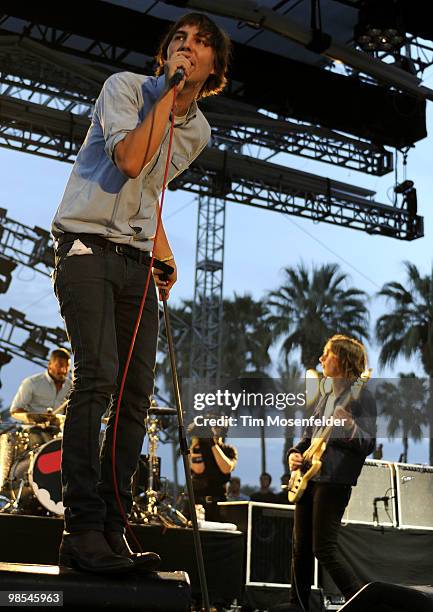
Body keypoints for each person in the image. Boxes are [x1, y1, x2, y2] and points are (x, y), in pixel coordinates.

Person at [50, 13, 231, 574]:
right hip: (86, 249)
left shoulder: (197, 130)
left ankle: (112, 524)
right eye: (179, 39)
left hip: (135, 260)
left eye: (200, 44)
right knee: (97, 377)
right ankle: (79, 528)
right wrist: (166, 95)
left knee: (134, 397)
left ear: (214, 67)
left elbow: (149, 190)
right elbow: (130, 160)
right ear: (166, 53)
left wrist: (163, 248)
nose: (186, 46)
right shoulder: (126, 89)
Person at [287, 334, 376, 612]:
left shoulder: (362, 397)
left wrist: (350, 427)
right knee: (300, 550)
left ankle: (362, 602)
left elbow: (369, 443)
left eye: (327, 353)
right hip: (309, 475)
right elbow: (308, 436)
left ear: (344, 359)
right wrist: (295, 453)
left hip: (335, 479)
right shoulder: (326, 396)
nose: (321, 359)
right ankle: (297, 605)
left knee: (323, 548)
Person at [10, 348, 72, 445]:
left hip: (57, 432)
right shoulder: (32, 383)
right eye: (60, 366)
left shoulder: (70, 387)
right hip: (32, 431)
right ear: (50, 365)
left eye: (67, 366)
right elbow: (15, 411)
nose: (64, 370)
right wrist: (36, 417)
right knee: (40, 443)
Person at [189, 425, 238, 521]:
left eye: (217, 426)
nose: (213, 429)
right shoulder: (197, 448)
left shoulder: (228, 450)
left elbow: (226, 468)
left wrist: (213, 443)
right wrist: (197, 442)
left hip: (218, 503)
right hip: (198, 501)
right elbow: (198, 469)